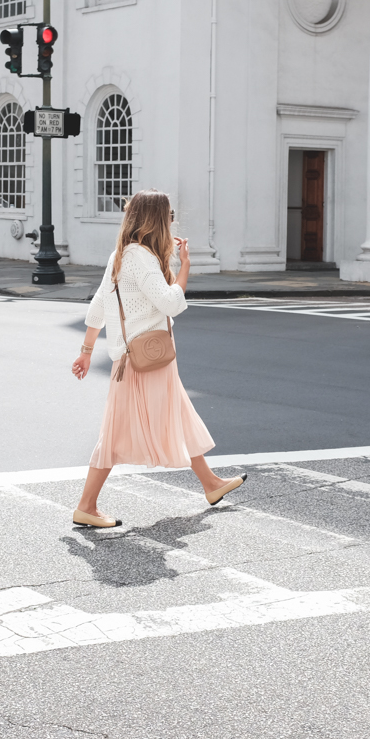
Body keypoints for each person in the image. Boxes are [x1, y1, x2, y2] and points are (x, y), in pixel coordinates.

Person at [71, 188, 247, 528]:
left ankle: (210, 484)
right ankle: (86, 506)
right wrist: (185, 269)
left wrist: (87, 352)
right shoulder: (141, 259)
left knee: (180, 414)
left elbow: (98, 306)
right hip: (141, 362)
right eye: (168, 217)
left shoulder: (121, 254)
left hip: (145, 359)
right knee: (116, 433)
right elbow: (171, 303)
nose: (171, 223)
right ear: (156, 220)